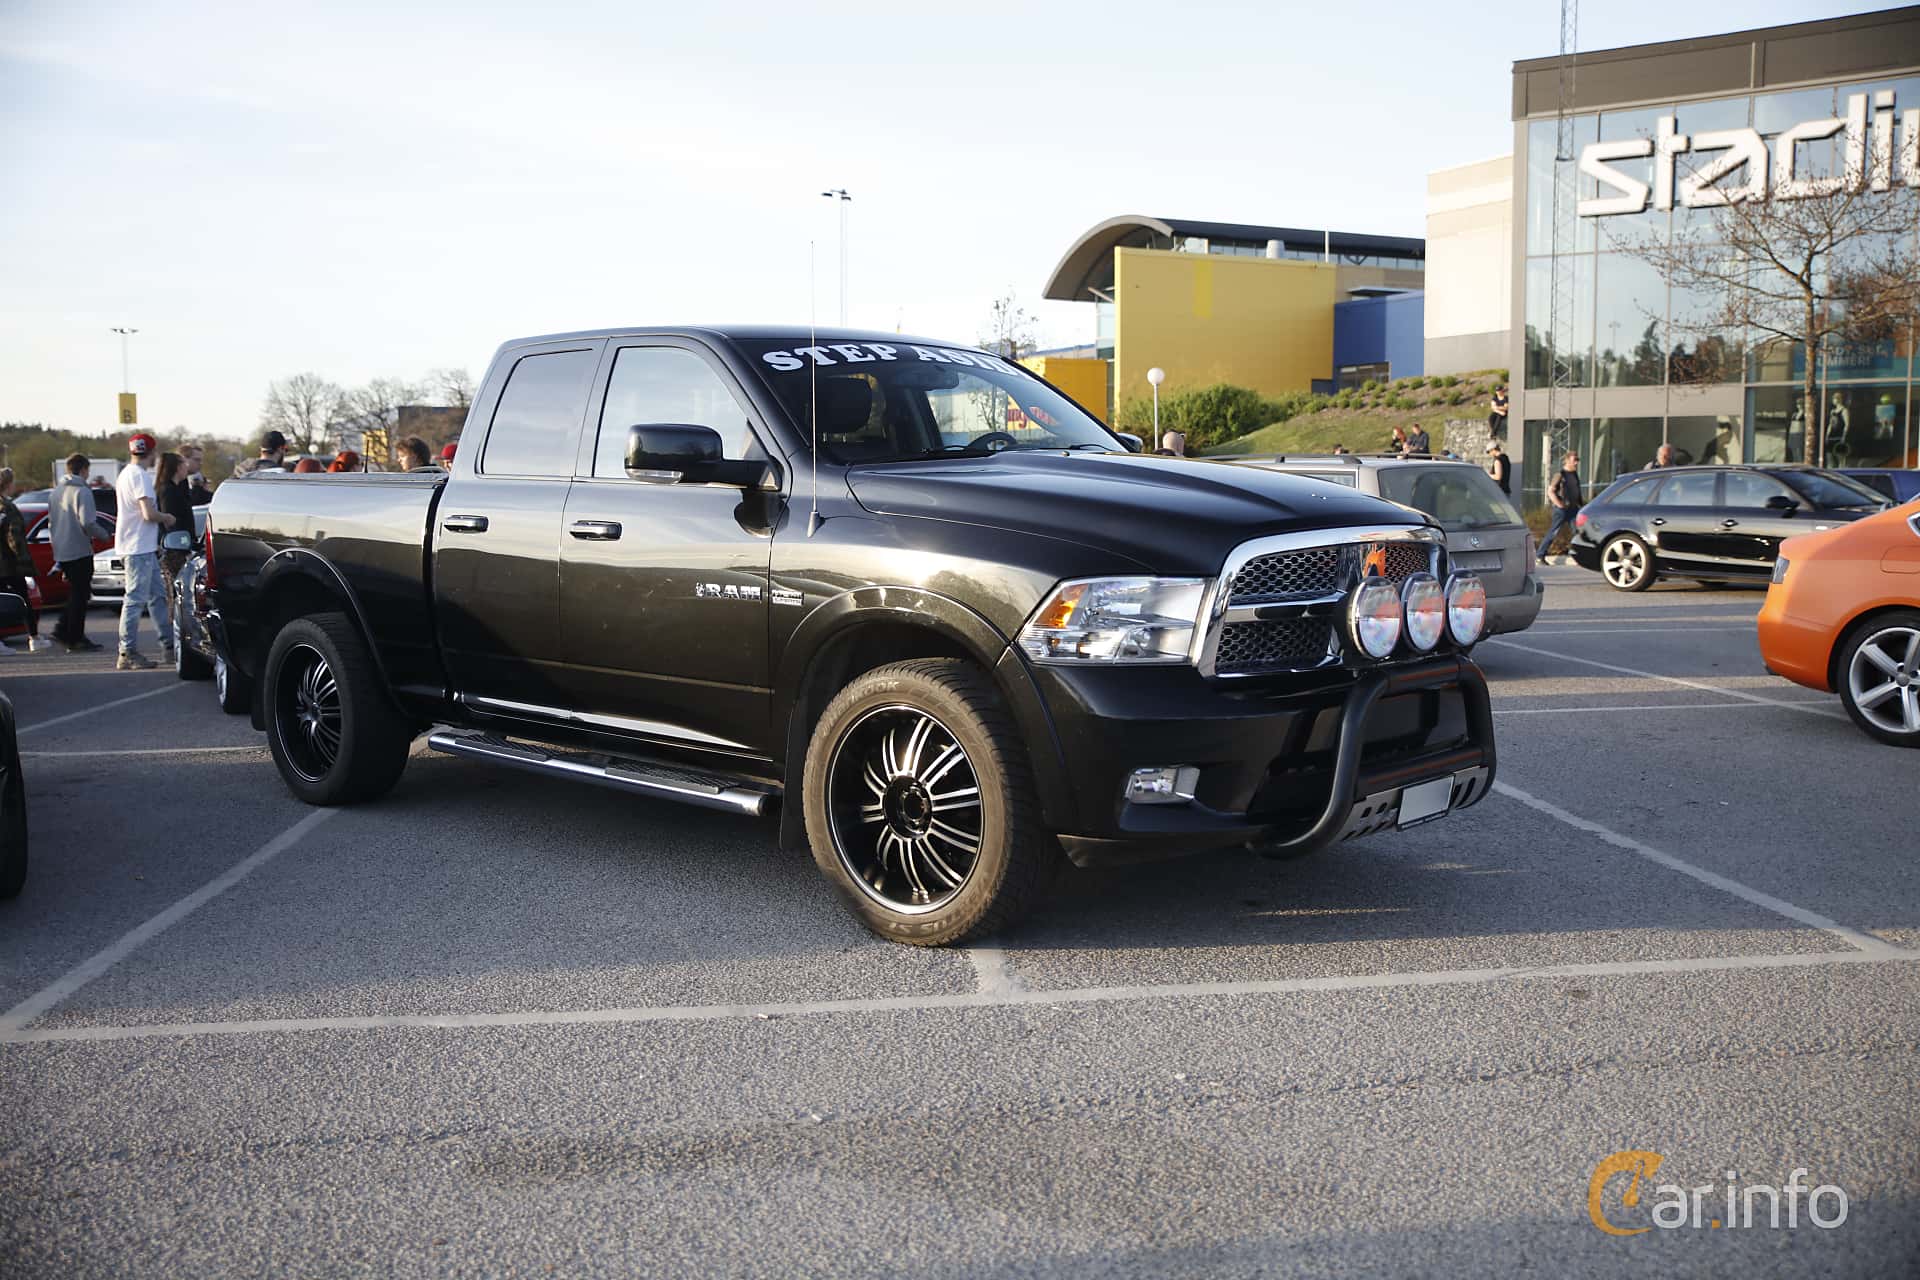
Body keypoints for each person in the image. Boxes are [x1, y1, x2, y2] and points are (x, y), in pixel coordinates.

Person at [113, 432, 175, 670]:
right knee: (135, 599)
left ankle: (168, 646)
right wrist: (166, 517)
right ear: (151, 452)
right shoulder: (140, 476)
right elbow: (148, 514)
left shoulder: (126, 474)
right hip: (138, 546)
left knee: (156, 597)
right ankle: (127, 651)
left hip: (138, 546)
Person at [49, 454, 108, 652]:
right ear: (83, 469)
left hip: (62, 550)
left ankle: (63, 629)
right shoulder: (82, 491)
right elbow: (88, 522)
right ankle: (74, 637)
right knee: (80, 596)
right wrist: (104, 535)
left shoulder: (56, 492)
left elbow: (51, 524)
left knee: (76, 593)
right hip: (79, 549)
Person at [0, 468, 49, 652]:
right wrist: (24, 561)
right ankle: (34, 637)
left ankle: (33, 637)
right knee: (23, 599)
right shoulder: (7, 507)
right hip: (8, 564)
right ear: (8, 485)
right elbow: (15, 538)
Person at [155, 451, 196, 614]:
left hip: (183, 546)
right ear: (177, 467)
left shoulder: (179, 488)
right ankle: (174, 632)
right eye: (184, 464)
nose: (187, 467)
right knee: (175, 594)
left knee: (183, 594)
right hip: (173, 549)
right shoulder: (167, 491)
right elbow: (170, 521)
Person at [1539, 451, 1583, 565]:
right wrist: (1559, 504)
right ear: (1567, 460)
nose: (1576, 463)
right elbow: (1551, 491)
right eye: (1575, 460)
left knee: (1577, 532)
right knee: (1554, 531)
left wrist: (1580, 505)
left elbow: (1577, 491)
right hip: (1562, 510)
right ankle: (1540, 555)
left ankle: (1579, 555)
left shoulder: (1574, 474)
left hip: (1573, 509)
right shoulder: (1560, 475)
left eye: (1577, 460)